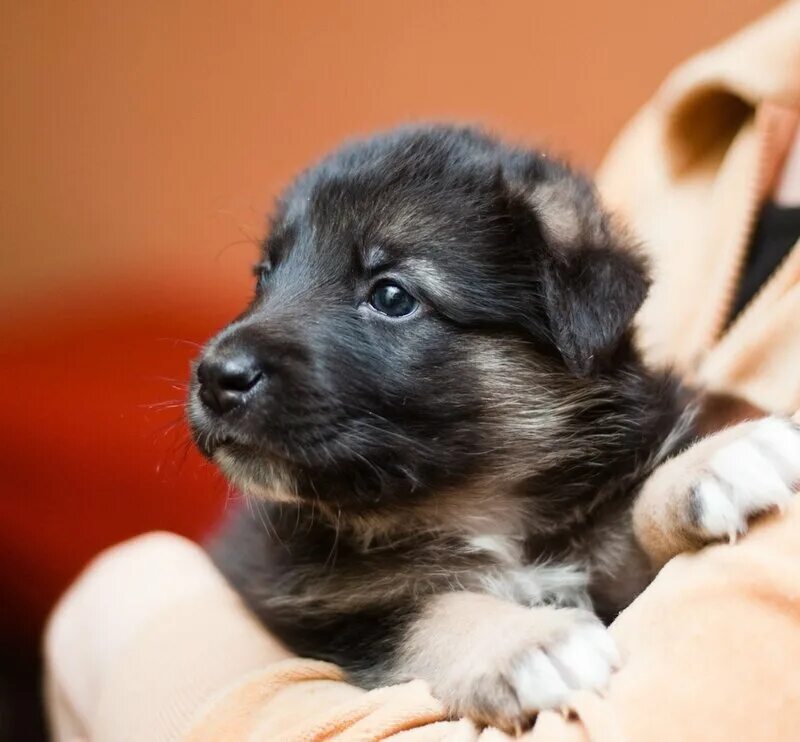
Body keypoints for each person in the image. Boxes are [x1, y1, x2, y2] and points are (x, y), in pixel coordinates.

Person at [44, 3, 800, 740]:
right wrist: (459, 635)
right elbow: (365, 628)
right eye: (271, 274)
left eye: (392, 297)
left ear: (574, 331)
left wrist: (131, 626)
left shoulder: (637, 427)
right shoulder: (709, 120)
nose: (233, 353)